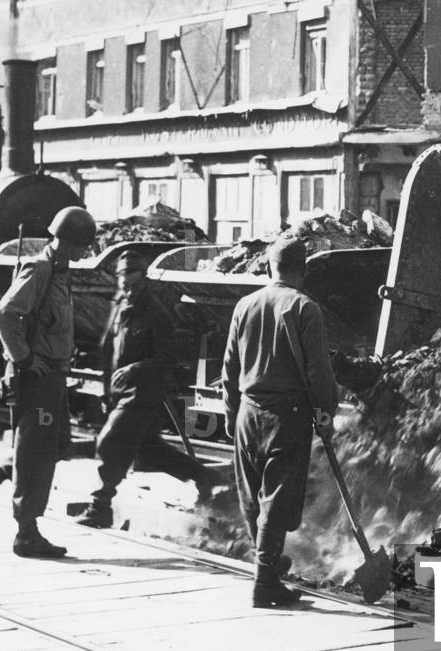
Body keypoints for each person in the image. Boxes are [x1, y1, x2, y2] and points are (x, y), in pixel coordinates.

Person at [222, 237, 338, 608]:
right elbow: (319, 371)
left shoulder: (244, 305)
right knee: (276, 498)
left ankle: (268, 561)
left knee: (254, 496)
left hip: (247, 410)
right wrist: (326, 410)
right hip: (286, 416)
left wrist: (230, 414)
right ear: (302, 269)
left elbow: (229, 368)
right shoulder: (305, 307)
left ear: (269, 267)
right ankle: (265, 582)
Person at [75, 249, 217, 529]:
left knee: (110, 442)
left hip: (143, 392)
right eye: (123, 281)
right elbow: (106, 350)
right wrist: (106, 393)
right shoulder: (119, 308)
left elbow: (168, 358)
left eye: (133, 280)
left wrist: (134, 369)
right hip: (121, 394)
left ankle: (99, 506)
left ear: (145, 279)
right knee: (150, 452)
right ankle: (204, 476)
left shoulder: (156, 314)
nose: (127, 286)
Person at [0, 206, 95, 558]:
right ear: (66, 242)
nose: (85, 253)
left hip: (53, 376)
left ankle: (25, 520)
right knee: (35, 453)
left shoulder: (61, 272)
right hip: (37, 377)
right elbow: (4, 314)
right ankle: (26, 532)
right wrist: (23, 358)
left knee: (51, 449)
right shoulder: (40, 269)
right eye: (82, 246)